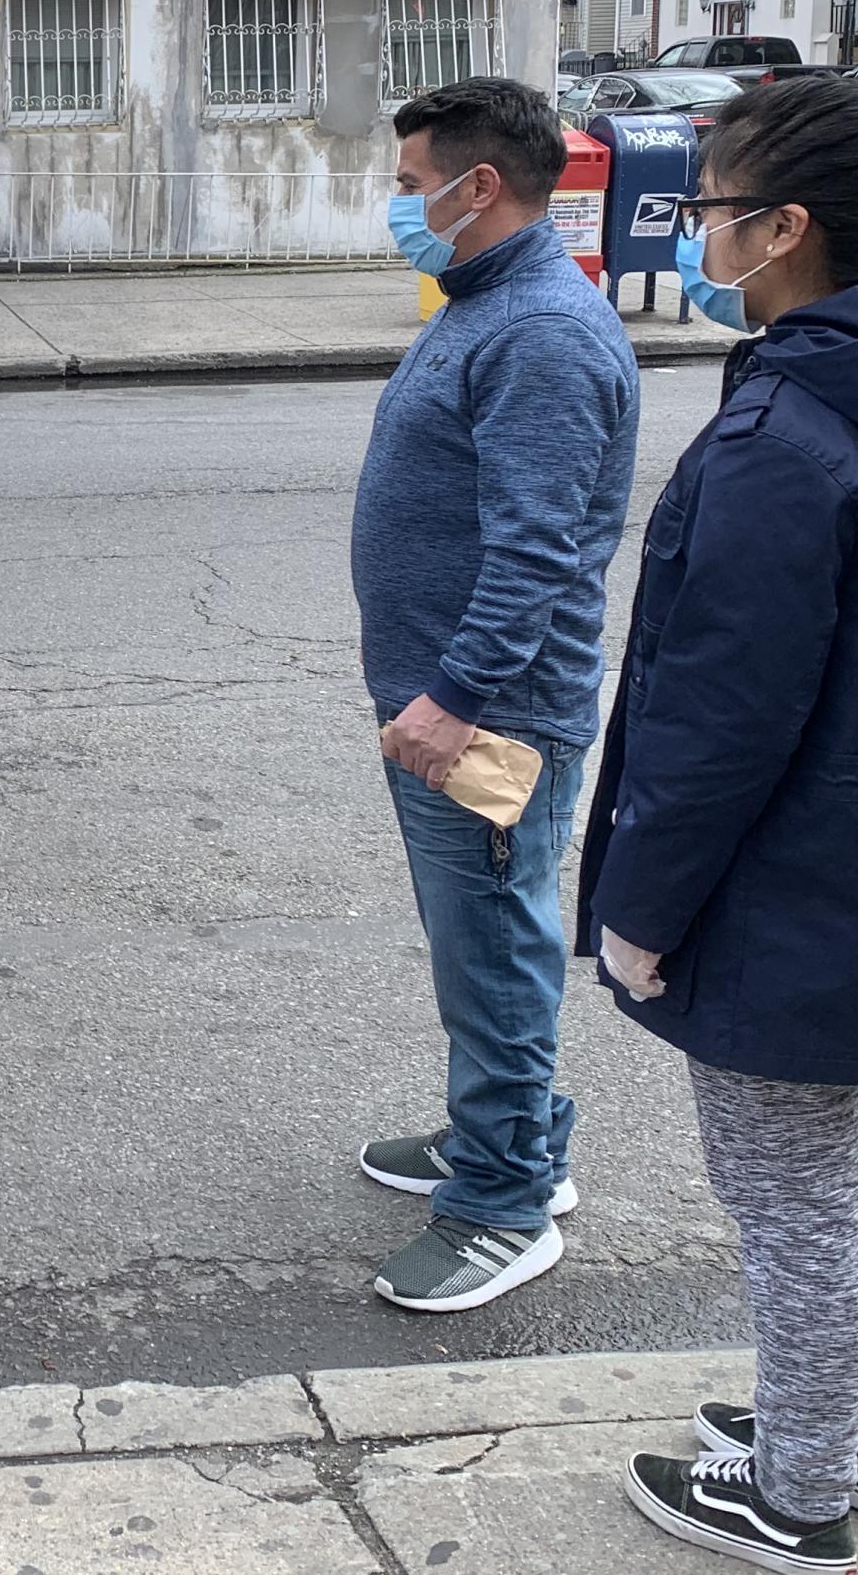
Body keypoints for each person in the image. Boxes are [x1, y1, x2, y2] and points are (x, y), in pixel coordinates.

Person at [588, 77, 858, 1571]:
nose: (694, 226)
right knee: (845, 1166)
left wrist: (641, 918)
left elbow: (719, 724)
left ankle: (794, 1494)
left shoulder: (789, 428)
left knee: (790, 1195)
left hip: (797, 886)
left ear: (784, 230)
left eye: (711, 205)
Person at [349, 77, 640, 1312]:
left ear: (480, 190)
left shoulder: (540, 335)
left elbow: (540, 550)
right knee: (480, 944)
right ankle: (504, 1133)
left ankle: (505, 1202)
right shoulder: (490, 302)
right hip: (455, 706)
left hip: (488, 719)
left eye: (414, 186)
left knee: (496, 951)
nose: (400, 206)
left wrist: (453, 696)